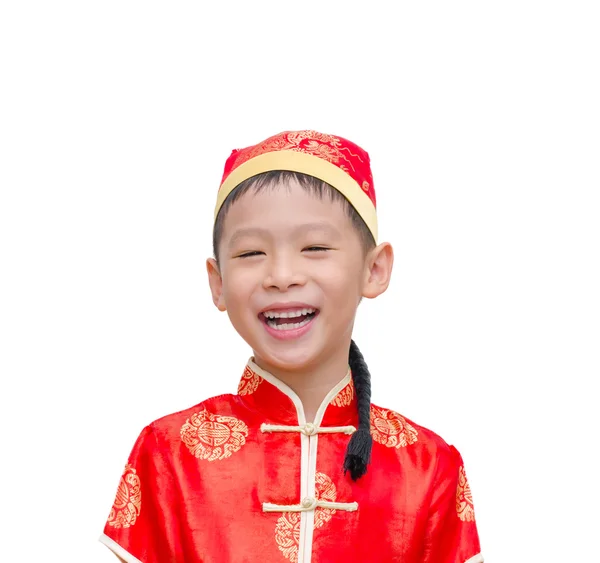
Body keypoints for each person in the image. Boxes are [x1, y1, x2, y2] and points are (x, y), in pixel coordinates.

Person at [99, 130, 484, 562]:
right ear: (218, 282)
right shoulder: (168, 453)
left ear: (374, 269)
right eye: (250, 253)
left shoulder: (428, 465)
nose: (282, 275)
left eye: (314, 247)